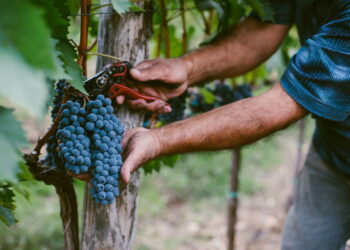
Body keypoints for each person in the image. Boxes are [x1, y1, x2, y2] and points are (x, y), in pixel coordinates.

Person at [118, 1, 350, 249]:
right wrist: (188, 68)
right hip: (333, 154)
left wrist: (158, 140)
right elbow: (262, 30)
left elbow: (280, 105)